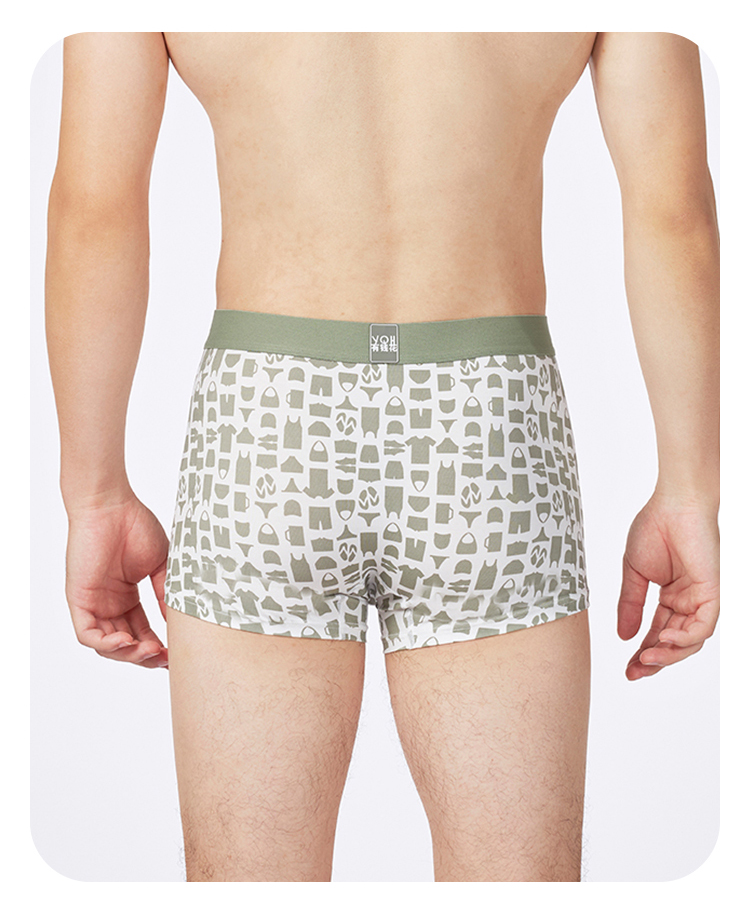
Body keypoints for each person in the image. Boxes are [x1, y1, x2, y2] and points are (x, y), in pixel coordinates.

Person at [44, 32, 719, 883]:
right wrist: (690, 490)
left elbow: (93, 208)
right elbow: (673, 210)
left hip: (267, 426)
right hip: (488, 429)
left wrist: (94, 495)